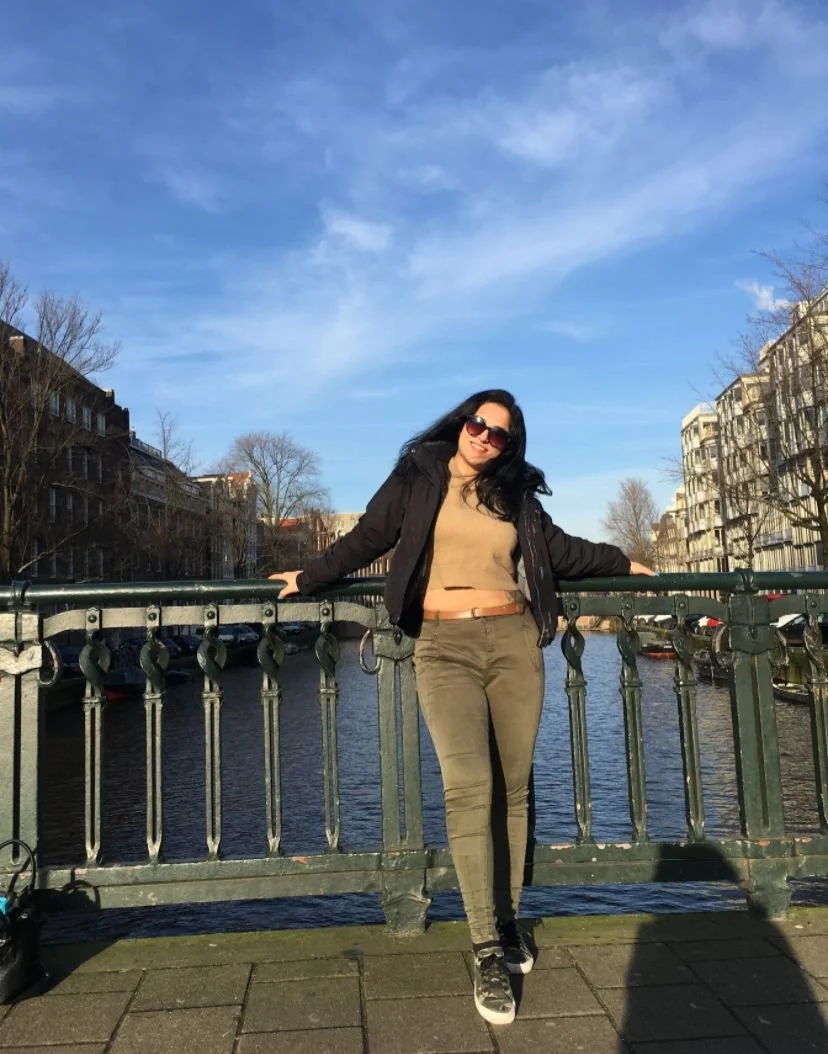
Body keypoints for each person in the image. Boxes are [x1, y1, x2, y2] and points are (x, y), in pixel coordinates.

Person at [270, 389, 654, 1025]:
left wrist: (624, 561)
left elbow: (560, 552)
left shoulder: (514, 495)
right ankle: (482, 947)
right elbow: (370, 535)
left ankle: (507, 922)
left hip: (512, 640)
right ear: (461, 423)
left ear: (509, 445)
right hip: (442, 643)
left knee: (515, 788)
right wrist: (307, 577)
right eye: (478, 423)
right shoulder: (420, 472)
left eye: (499, 434)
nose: (484, 437)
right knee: (468, 785)